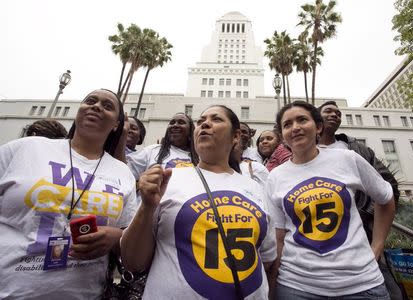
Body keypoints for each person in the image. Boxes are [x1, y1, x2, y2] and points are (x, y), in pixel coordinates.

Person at [121, 105, 276, 299]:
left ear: (236, 136)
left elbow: (267, 257)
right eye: (201, 121)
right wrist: (146, 207)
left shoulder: (255, 188)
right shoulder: (167, 180)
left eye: (216, 119)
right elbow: (133, 261)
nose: (205, 125)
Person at [0, 89, 137, 299]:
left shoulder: (122, 172)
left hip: (87, 294)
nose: (97, 106)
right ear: (78, 111)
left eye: (107, 106)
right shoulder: (25, 149)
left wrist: (116, 237)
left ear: (117, 124)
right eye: (90, 101)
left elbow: (128, 233)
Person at [266, 101, 396, 299]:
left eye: (302, 120)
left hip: (362, 284)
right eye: (287, 124)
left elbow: (385, 197)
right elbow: (279, 238)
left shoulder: (347, 159)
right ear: (282, 136)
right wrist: (273, 288)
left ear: (318, 127)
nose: (295, 127)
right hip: (296, 286)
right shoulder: (275, 177)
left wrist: (376, 247)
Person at [317, 100, 402, 299]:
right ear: (317, 120)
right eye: (328, 111)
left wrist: (366, 217)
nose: (334, 115)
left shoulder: (356, 150)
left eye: (338, 113)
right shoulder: (302, 152)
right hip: (318, 240)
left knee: (389, 291)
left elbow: (388, 187)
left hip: (361, 238)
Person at [127, 112, 199, 179]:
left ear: (190, 131)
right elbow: (125, 174)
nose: (175, 125)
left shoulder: (199, 158)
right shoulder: (153, 150)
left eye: (181, 122)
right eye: (172, 123)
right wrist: (140, 185)